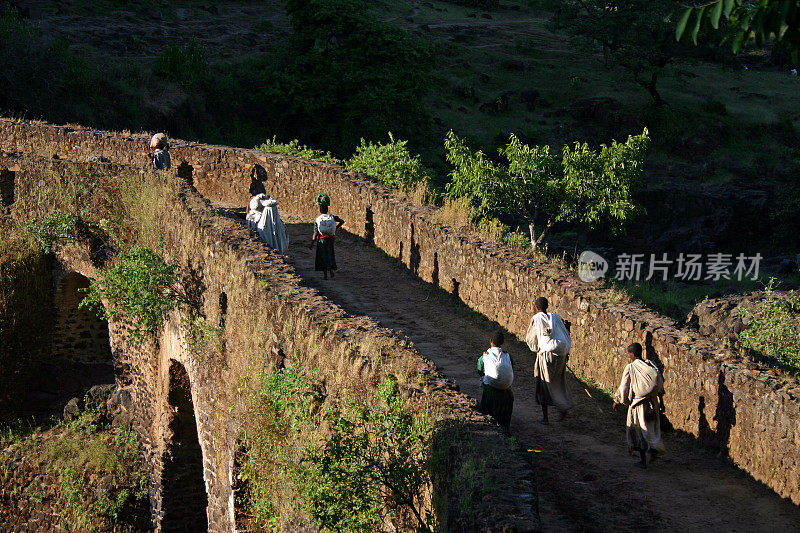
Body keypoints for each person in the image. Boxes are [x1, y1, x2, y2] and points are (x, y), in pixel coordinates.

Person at [613, 342, 665, 468]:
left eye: (629, 353)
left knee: (638, 430)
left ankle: (644, 460)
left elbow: (624, 386)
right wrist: (661, 402)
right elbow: (660, 384)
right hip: (653, 403)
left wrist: (617, 400)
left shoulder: (631, 367)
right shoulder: (651, 364)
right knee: (651, 428)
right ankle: (654, 447)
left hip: (638, 405)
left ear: (631, 354)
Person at [525, 296, 573, 425]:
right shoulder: (555, 317)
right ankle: (563, 405)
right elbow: (564, 333)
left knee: (543, 384)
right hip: (560, 354)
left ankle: (546, 417)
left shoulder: (537, 319)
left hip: (546, 355)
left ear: (536, 307)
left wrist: (537, 349)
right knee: (558, 381)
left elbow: (531, 339)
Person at [477, 331, 514, 430]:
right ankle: (506, 428)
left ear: (491, 341)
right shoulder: (507, 356)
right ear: (502, 342)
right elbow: (511, 369)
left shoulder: (485, 357)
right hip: (506, 392)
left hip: (491, 392)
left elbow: (480, 371)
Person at [309, 194, 344, 280]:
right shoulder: (331, 217)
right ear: (327, 209)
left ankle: (325, 275)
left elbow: (316, 233)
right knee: (330, 254)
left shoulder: (318, 219)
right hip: (330, 240)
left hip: (322, 241)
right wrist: (336, 228)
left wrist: (312, 243)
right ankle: (331, 269)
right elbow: (342, 221)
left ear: (320, 210)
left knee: (322, 257)